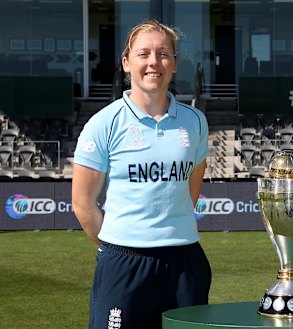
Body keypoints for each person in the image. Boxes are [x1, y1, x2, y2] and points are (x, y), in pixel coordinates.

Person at [72, 20, 211, 329]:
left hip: (185, 264)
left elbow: (190, 190)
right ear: (126, 62)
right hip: (123, 264)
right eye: (143, 53)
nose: (153, 62)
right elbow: (83, 202)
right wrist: (118, 244)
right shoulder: (103, 123)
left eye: (163, 54)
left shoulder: (196, 122)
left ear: (174, 63)